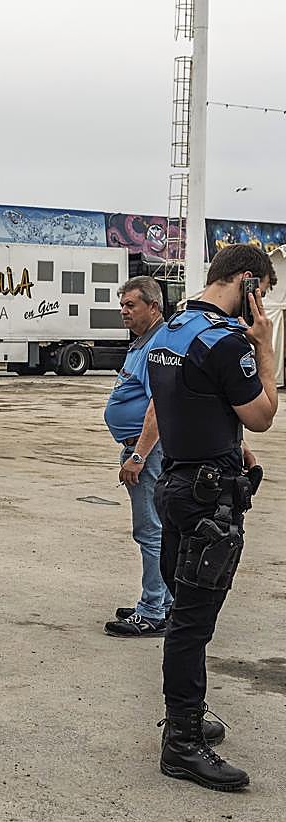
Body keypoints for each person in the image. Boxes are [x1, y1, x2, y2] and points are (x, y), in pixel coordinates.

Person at [144, 243, 278, 791]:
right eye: (263, 294)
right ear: (246, 282)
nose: (262, 307)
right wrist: (266, 352)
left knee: (183, 615)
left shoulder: (171, 329)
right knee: (193, 625)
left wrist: (229, 441)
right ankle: (181, 744)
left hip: (176, 487)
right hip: (207, 504)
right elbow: (264, 414)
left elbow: (188, 402)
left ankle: (187, 719)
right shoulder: (227, 343)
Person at [102, 277, 170, 637]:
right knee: (158, 531)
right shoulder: (143, 343)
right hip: (139, 448)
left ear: (153, 307)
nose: (123, 311)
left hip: (146, 451)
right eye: (122, 305)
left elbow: (158, 406)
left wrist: (139, 455)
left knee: (150, 532)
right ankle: (163, 601)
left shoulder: (158, 343)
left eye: (131, 305)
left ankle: (153, 611)